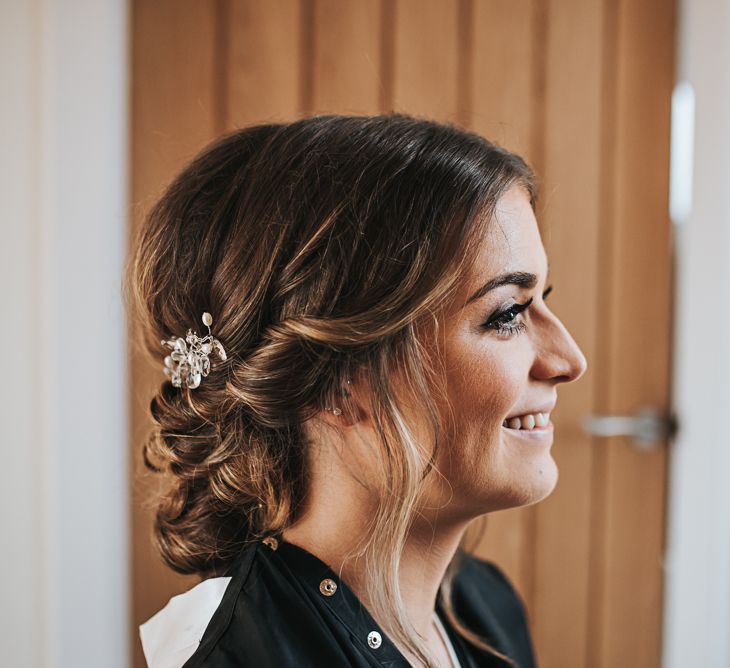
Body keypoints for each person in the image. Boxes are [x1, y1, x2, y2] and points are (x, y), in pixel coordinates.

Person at [125, 112, 587, 668]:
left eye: (543, 299)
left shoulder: (485, 606)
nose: (569, 360)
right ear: (337, 382)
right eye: (508, 313)